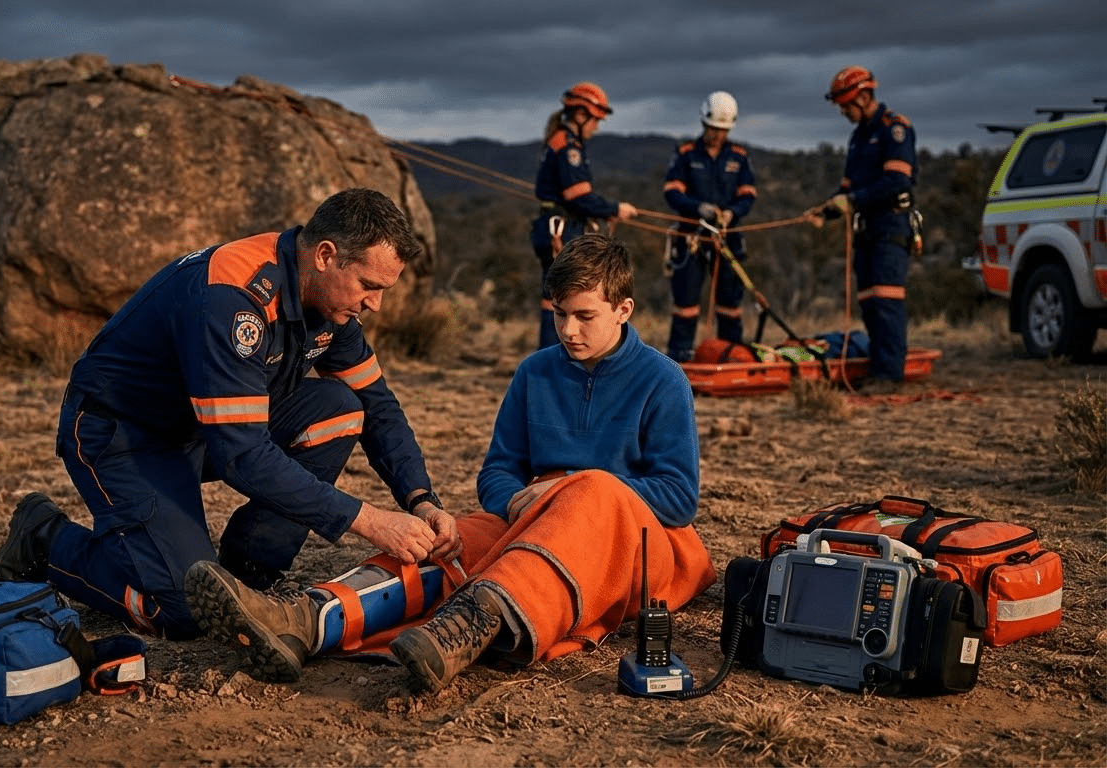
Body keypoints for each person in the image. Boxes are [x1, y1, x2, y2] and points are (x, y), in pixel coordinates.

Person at [186, 234, 716, 691]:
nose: (569, 331)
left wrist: (573, 488)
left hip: (635, 544)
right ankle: (305, 618)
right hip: (536, 524)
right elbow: (498, 473)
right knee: (450, 541)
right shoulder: (534, 373)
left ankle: (464, 625)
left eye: (585, 316)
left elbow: (677, 497)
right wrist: (514, 498)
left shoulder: (663, 380)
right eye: (559, 315)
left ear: (624, 310)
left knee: (594, 492)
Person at [0, 187, 461, 641]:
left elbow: (378, 406)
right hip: (123, 435)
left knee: (339, 409)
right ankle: (45, 541)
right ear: (325, 255)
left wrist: (422, 498)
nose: (374, 304)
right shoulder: (233, 297)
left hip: (199, 430)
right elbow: (243, 456)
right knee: (183, 612)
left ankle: (250, 571)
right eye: (368, 285)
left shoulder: (330, 304)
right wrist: (370, 520)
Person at [806, 66, 919, 391]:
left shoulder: (894, 128)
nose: (843, 112)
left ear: (864, 96)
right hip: (865, 229)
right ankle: (879, 368)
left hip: (890, 225)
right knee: (869, 302)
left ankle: (889, 375)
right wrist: (826, 210)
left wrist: (852, 200)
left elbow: (897, 180)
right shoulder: (857, 138)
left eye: (846, 105)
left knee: (886, 301)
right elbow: (846, 190)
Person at [529, 82, 638, 349]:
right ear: (580, 115)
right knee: (563, 298)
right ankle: (555, 360)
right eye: (594, 120)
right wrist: (615, 208)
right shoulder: (568, 147)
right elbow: (579, 197)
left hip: (559, 225)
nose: (596, 127)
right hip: (562, 229)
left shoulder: (565, 142)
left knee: (559, 296)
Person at [662, 91, 758, 363]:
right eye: (714, 128)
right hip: (691, 237)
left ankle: (731, 357)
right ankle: (679, 360)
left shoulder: (739, 157)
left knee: (730, 305)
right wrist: (698, 208)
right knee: (686, 305)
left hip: (728, 238)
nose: (718, 135)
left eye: (723, 130)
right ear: (704, 123)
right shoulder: (685, 154)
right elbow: (671, 192)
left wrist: (732, 213)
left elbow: (748, 195)